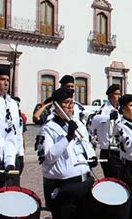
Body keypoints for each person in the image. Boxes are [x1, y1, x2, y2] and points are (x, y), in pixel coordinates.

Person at [37, 87, 97, 219]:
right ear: (56, 105)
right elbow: (47, 158)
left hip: (83, 184)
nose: (70, 107)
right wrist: (67, 138)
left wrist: (91, 156)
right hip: (64, 188)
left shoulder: (76, 124)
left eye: (72, 102)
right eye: (66, 103)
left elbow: (85, 143)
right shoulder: (47, 128)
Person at [0, 67, 23, 186]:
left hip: (12, 156)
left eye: (8, 80)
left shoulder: (13, 104)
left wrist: (20, 154)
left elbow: (15, 131)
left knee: (11, 193)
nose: (6, 83)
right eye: (2, 79)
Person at [90, 84, 122, 178]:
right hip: (109, 152)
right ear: (110, 96)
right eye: (117, 94)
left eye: (120, 94)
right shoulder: (104, 109)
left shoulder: (118, 110)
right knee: (112, 180)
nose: (119, 97)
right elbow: (93, 122)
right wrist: (108, 117)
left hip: (118, 150)